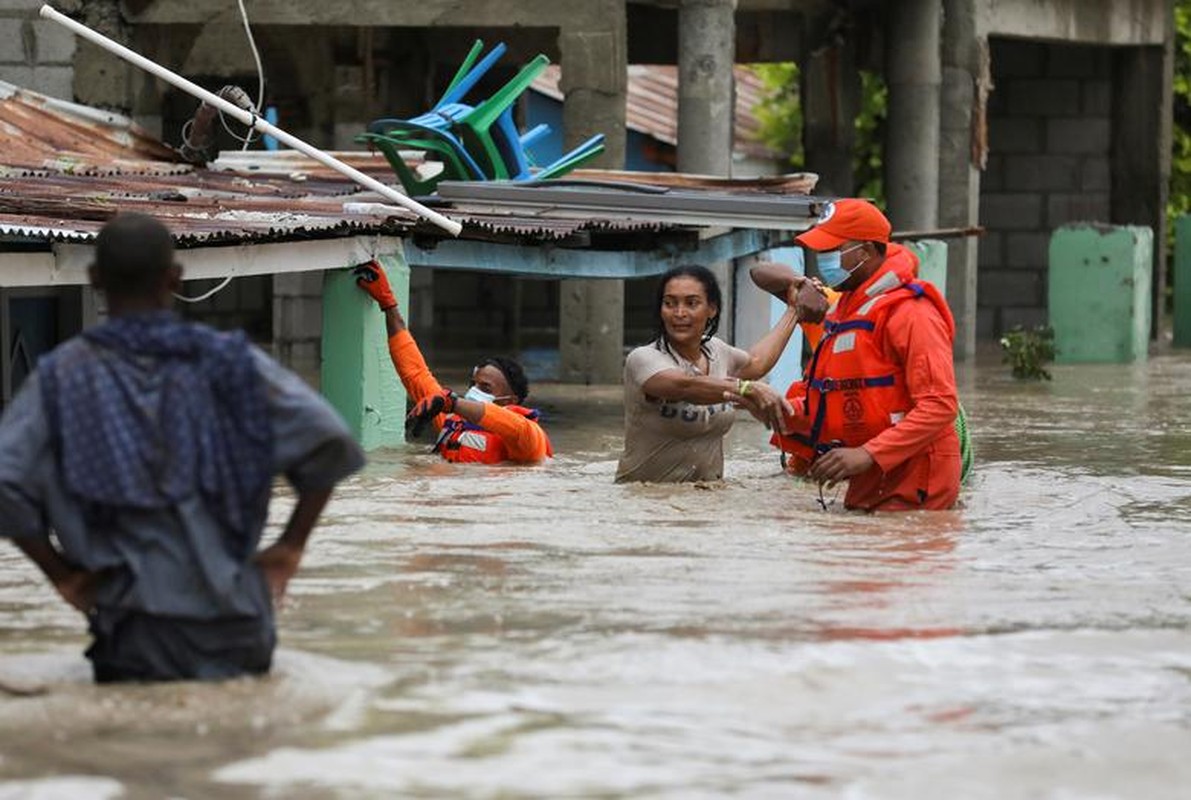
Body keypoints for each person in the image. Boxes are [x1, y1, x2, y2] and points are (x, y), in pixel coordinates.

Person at [0, 213, 365, 683]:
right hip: (242, 623)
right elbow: (330, 442)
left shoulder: (63, 377)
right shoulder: (234, 364)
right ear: (174, 278)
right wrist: (289, 547)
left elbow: (6, 482)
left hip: (134, 631)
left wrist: (62, 575)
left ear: (94, 280)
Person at [767, 198, 962, 511]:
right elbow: (838, 399)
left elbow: (940, 405)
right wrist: (779, 410)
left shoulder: (912, 313)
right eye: (820, 251)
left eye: (831, 251)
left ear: (867, 252)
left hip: (915, 479)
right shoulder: (842, 311)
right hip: (871, 476)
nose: (822, 260)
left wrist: (868, 453)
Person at [615, 264, 817, 483]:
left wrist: (794, 310)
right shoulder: (644, 358)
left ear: (712, 309)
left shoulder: (717, 351)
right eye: (669, 304)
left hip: (709, 497)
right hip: (646, 500)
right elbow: (685, 386)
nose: (679, 313)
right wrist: (746, 388)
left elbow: (757, 363)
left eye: (691, 303)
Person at [354, 261, 552, 464]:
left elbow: (517, 427)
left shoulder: (529, 439)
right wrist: (388, 304)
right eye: (473, 384)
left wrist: (453, 402)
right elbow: (415, 371)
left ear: (510, 401)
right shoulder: (452, 420)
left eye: (485, 387)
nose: (474, 391)